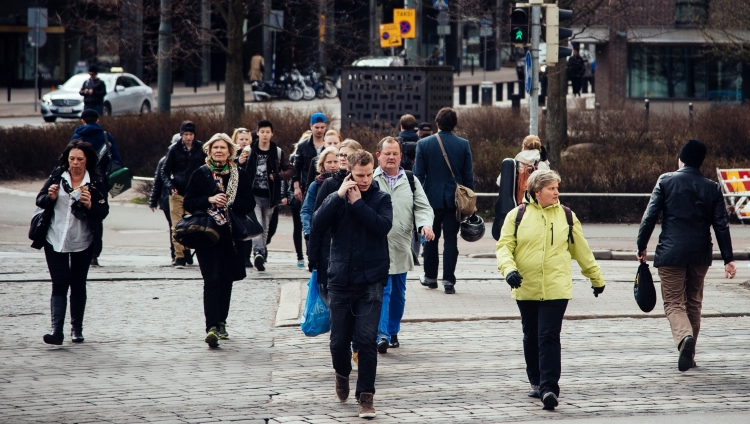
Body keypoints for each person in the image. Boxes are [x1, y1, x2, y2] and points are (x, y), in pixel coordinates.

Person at [496, 169, 605, 411]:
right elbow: (504, 247)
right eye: (551, 188)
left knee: (548, 336)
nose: (557, 192)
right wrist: (509, 270)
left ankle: (549, 389)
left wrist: (595, 278)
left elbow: (582, 251)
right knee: (531, 336)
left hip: (556, 288)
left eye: (557, 188)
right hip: (525, 286)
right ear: (537, 191)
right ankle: (535, 380)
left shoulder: (567, 215)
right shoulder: (517, 216)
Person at [637, 139, 736, 372]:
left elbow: (649, 217)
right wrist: (728, 259)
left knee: (673, 303)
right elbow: (721, 225)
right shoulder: (711, 187)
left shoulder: (666, 180)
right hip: (700, 254)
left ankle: (684, 340)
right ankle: (690, 356)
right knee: (693, 303)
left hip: (671, 253)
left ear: (681, 159)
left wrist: (641, 246)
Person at [311, 150, 392, 418]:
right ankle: (342, 373)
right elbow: (317, 223)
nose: (365, 179)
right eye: (360, 175)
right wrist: (338, 197)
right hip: (341, 279)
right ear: (350, 174)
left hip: (371, 280)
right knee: (338, 342)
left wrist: (358, 204)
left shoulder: (381, 198)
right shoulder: (336, 196)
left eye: (369, 174)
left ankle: (366, 397)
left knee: (367, 341)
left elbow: (382, 227)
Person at [34, 141, 110, 345]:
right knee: (59, 284)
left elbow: (103, 212)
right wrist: (49, 197)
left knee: (77, 284)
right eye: (72, 159)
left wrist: (90, 204)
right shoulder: (58, 176)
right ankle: (56, 330)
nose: (75, 163)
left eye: (79, 159)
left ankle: (77, 329)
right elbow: (39, 199)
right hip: (55, 237)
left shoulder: (95, 181)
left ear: (87, 161)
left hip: (82, 240)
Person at [184, 133, 255, 348]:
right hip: (206, 234)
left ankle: (222, 321)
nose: (219, 151)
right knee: (211, 279)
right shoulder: (201, 173)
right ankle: (211, 327)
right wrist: (209, 200)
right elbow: (188, 201)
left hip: (231, 236)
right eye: (215, 147)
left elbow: (249, 203)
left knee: (226, 279)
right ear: (209, 150)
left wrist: (229, 203)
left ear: (230, 151)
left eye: (223, 148)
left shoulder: (239, 175)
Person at [373, 137, 434, 353]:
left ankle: (392, 329)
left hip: (400, 247)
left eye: (395, 153)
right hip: (376, 247)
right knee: (383, 290)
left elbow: (423, 207)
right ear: (378, 155)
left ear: (401, 156)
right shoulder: (371, 179)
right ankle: (381, 335)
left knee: (398, 293)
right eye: (387, 153)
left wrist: (425, 225)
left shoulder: (410, 180)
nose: (391, 157)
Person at [413, 107, 474, 294]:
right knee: (450, 241)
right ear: (455, 124)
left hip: (430, 199)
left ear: (437, 123)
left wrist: (417, 200)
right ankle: (449, 281)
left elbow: (418, 175)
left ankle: (430, 278)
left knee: (430, 239)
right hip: (454, 202)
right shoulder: (463, 144)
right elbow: (468, 176)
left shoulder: (424, 144)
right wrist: (470, 201)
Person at [309, 139, 363, 309]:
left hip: (359, 256)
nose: (341, 158)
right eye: (340, 154)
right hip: (330, 255)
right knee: (335, 310)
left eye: (345, 155)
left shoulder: (365, 183)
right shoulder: (329, 184)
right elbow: (316, 223)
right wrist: (313, 257)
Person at [70, 109, 122, 266]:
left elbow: (69, 159)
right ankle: (94, 253)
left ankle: (75, 248)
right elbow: (117, 159)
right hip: (99, 183)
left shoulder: (76, 137)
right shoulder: (106, 136)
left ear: (82, 121)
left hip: (79, 181)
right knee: (97, 216)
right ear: (97, 121)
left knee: (76, 214)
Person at [242, 120, 294, 271]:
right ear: (257, 133)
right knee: (257, 224)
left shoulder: (277, 152)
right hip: (253, 195)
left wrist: (278, 176)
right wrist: (240, 161)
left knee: (265, 228)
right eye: (262, 131)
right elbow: (238, 169)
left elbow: (291, 170)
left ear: (272, 134)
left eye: (267, 132)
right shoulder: (249, 150)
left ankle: (261, 254)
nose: (265, 135)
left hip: (270, 196)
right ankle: (257, 252)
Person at [162, 120, 204, 268]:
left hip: (194, 193)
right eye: (185, 134)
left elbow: (205, 168)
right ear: (181, 135)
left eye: (191, 134)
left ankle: (186, 249)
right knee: (177, 225)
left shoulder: (201, 148)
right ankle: (179, 256)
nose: (188, 137)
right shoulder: (174, 150)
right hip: (177, 191)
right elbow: (164, 171)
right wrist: (170, 186)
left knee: (193, 225)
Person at [149, 134, 180, 263]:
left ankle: (184, 252)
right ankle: (176, 253)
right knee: (174, 227)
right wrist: (153, 200)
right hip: (167, 199)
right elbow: (158, 181)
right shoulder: (164, 161)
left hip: (183, 198)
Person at [301, 147, 339, 241]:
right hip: (320, 233)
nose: (333, 165)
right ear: (322, 164)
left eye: (335, 161)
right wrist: (309, 231)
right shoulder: (316, 185)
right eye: (329, 162)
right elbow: (306, 210)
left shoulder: (345, 182)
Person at [293, 113, 327, 203]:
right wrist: (296, 187)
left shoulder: (329, 145)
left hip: (326, 186)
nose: (319, 130)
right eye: (317, 127)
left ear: (325, 127)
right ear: (311, 126)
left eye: (322, 127)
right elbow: (296, 168)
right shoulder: (303, 146)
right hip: (307, 186)